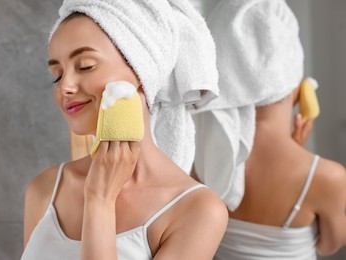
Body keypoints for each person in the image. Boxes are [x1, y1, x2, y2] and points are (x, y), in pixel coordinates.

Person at [21, 0, 228, 259]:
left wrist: (100, 199)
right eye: (57, 74)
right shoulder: (45, 189)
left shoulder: (197, 211)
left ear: (142, 71)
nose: (65, 87)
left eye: (85, 65)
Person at [189, 0, 346, 258]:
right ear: (298, 88)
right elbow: (329, 246)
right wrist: (299, 155)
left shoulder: (206, 165)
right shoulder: (327, 177)